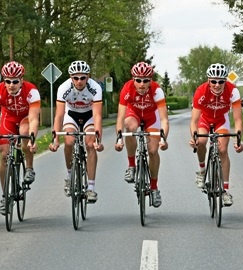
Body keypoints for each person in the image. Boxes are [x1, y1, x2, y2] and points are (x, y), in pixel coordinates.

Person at [0, 61, 40, 215]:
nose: (11, 84)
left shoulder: (31, 91)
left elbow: (34, 118)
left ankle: (29, 168)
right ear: (4, 81)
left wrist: (33, 138)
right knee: (3, 153)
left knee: (24, 131)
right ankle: (5, 196)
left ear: (21, 80)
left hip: (26, 117)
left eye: (15, 81)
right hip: (8, 118)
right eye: (8, 81)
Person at [188, 63, 243, 207]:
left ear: (226, 81)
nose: (217, 85)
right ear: (208, 81)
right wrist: (194, 138)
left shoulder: (233, 92)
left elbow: (238, 120)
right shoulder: (201, 91)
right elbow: (194, 121)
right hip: (204, 120)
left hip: (221, 121)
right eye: (213, 81)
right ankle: (202, 171)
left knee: (223, 150)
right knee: (201, 141)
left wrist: (239, 140)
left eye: (221, 81)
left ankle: (225, 191)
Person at [49, 60, 105, 203]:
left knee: (90, 144)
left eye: (82, 77)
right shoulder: (63, 88)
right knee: (69, 141)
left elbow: (98, 115)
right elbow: (59, 115)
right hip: (71, 115)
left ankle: (91, 188)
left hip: (89, 116)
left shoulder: (95, 88)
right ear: (70, 77)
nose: (79, 81)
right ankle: (69, 176)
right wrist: (55, 140)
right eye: (75, 78)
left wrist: (99, 140)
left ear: (88, 77)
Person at [114, 62, 169, 207]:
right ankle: (132, 165)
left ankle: (154, 187)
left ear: (151, 80)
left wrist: (163, 139)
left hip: (152, 117)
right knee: (130, 126)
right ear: (133, 80)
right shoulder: (127, 89)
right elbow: (120, 117)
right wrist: (119, 139)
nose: (142, 84)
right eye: (138, 80)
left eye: (146, 80)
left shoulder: (157, 91)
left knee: (152, 150)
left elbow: (164, 119)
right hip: (134, 114)